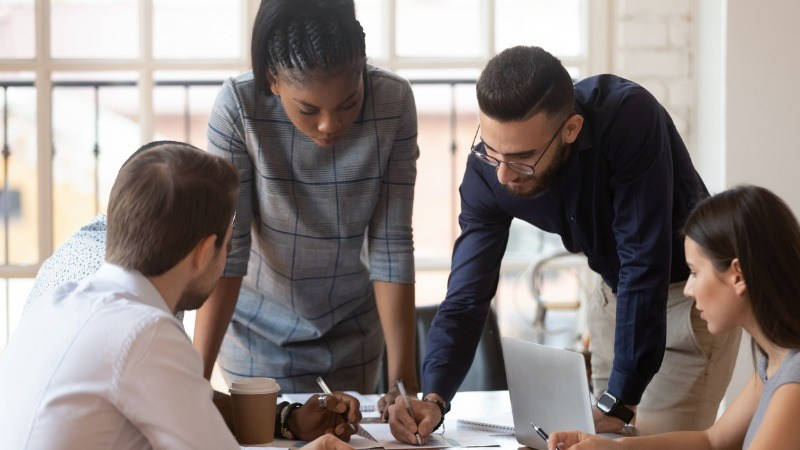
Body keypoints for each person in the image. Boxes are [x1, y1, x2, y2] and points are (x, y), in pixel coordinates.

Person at [387, 46, 741, 443]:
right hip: (613, 297)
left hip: (689, 302)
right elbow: (466, 295)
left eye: (523, 158)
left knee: (653, 443)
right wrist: (435, 397)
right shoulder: (488, 170)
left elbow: (644, 261)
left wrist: (619, 401)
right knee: (596, 444)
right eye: (492, 149)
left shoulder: (628, 117)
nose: (503, 175)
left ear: (570, 129)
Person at [0, 141, 357, 450]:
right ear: (204, 253)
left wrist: (285, 420)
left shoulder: (62, 302)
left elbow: (181, 411)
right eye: (227, 248)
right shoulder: (143, 330)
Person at [197, 0, 419, 408]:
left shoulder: (393, 102)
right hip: (257, 335)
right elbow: (229, 251)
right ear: (273, 79)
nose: (329, 125)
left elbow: (392, 245)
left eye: (348, 103)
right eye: (308, 109)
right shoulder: (239, 107)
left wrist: (404, 387)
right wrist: (193, 380)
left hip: (354, 332)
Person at [547, 185, 800, 450]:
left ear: (738, 275)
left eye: (694, 272)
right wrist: (611, 447)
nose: (688, 290)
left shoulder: (793, 378)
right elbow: (712, 441)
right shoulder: (773, 359)